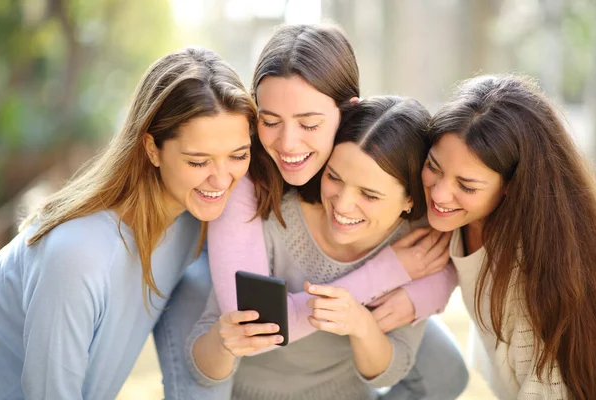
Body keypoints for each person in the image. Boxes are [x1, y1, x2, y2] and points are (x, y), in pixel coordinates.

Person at [155, 24, 467, 400]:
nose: (287, 143)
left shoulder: (391, 170)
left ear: (347, 111)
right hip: (249, 341)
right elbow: (255, 324)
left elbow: (443, 252)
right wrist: (385, 275)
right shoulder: (248, 181)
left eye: (309, 123)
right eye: (269, 121)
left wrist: (424, 291)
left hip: (339, 368)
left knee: (445, 367)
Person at [0, 47, 257, 400]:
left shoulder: (191, 222)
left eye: (238, 155)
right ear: (152, 149)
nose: (222, 179)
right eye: (199, 162)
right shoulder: (78, 254)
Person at [190, 96, 439, 399]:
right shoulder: (273, 214)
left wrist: (361, 324)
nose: (343, 205)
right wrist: (222, 341)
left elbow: (389, 371)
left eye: (369, 195)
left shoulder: (416, 248)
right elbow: (201, 369)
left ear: (410, 198)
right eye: (334, 177)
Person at [421, 74, 596, 399]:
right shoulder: (457, 218)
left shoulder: (531, 271)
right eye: (434, 166)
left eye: (467, 185)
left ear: (511, 188)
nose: (441, 194)